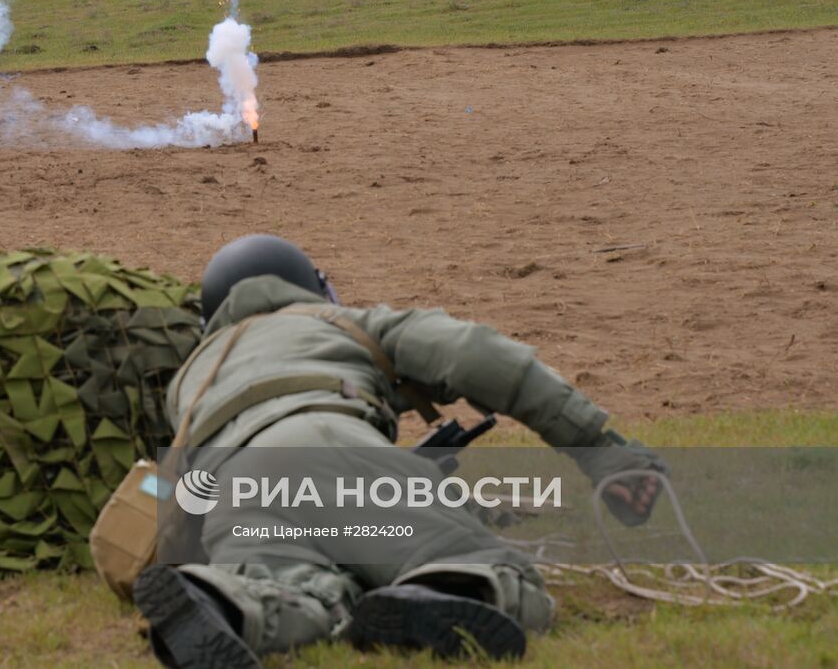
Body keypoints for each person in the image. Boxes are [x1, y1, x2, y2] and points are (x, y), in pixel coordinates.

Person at [134, 235, 665, 668]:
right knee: (485, 570)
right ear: (313, 288)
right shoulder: (340, 322)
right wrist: (602, 452)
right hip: (334, 445)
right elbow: (478, 355)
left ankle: (228, 604)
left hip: (238, 489)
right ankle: (440, 587)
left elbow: (180, 493)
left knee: (302, 593)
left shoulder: (191, 383)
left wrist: (192, 558)